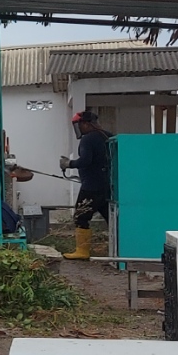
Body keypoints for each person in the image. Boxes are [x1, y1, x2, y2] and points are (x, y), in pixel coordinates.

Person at [58, 111, 111, 260]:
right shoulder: (108, 136)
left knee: (80, 217)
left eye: (79, 125)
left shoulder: (88, 139)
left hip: (91, 187)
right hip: (107, 186)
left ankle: (82, 251)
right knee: (111, 219)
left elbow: (85, 161)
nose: (78, 128)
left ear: (86, 124)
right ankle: (120, 248)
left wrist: (68, 164)